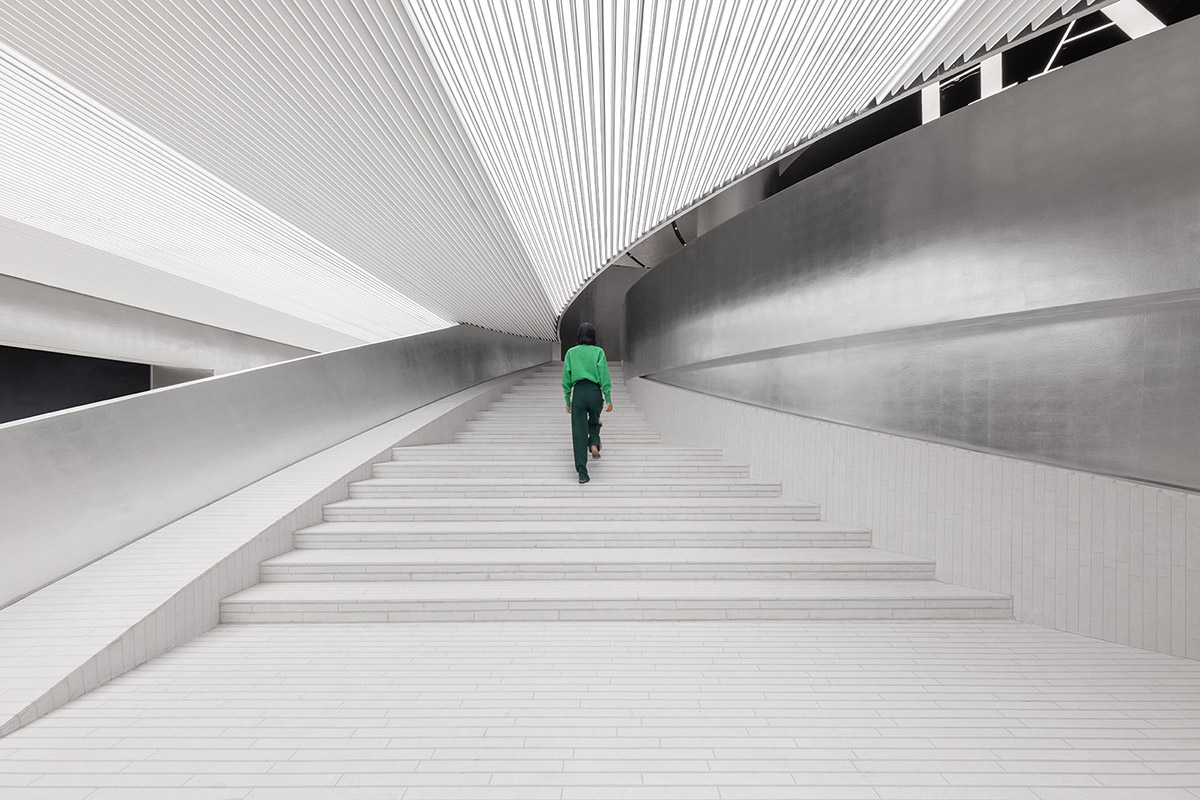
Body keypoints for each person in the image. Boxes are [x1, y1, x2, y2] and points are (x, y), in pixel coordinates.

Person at [562, 322, 614, 484]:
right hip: (594, 392)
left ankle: (582, 473)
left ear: (579, 336)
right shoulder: (598, 352)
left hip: (579, 393)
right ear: (593, 336)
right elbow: (604, 375)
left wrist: (567, 399)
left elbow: (566, 378)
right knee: (594, 420)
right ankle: (594, 442)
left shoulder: (571, 353)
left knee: (578, 432)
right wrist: (608, 397)